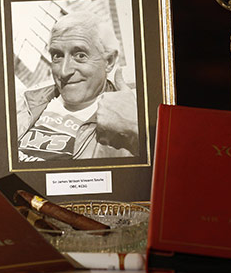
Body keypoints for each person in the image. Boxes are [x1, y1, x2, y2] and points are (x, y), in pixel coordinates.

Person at [16, 11, 139, 161]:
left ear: (109, 61)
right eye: (57, 55)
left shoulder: (128, 117)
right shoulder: (24, 103)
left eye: (80, 55)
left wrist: (135, 126)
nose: (64, 71)